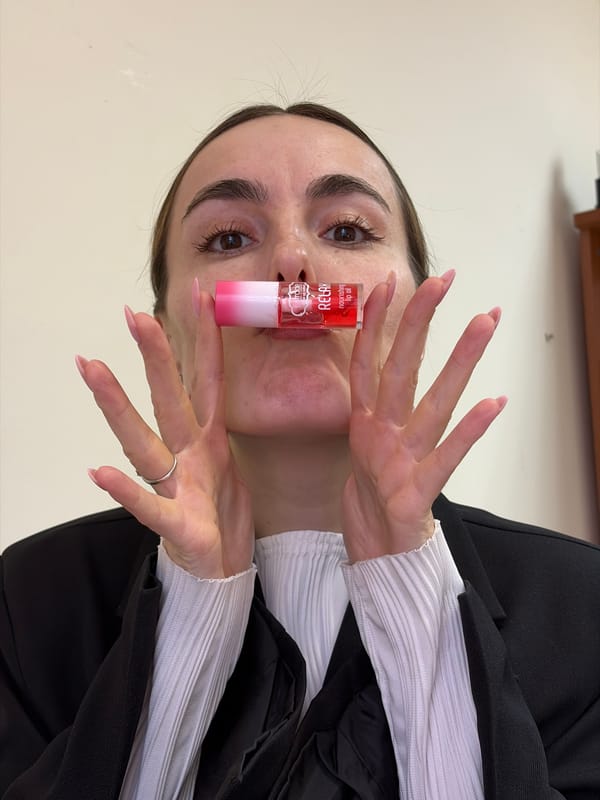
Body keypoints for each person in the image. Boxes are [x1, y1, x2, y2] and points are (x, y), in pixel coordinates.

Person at [0, 103, 598, 800]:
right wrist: (194, 614)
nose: (290, 264)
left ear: (413, 308)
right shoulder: (30, 603)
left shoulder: (581, 610)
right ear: (168, 331)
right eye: (227, 238)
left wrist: (411, 600)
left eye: (346, 230)